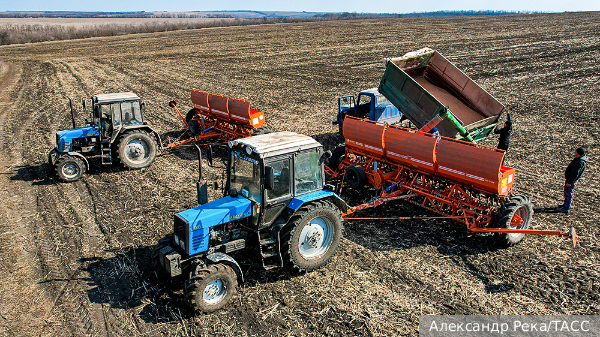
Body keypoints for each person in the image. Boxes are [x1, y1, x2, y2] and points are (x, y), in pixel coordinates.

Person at [557, 147, 588, 213]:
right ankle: (565, 205)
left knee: (568, 192)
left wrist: (570, 182)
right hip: (571, 179)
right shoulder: (579, 159)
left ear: (578, 153)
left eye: (576, 151)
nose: (574, 151)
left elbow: (575, 173)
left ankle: (566, 207)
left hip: (571, 180)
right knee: (567, 192)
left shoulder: (579, 162)